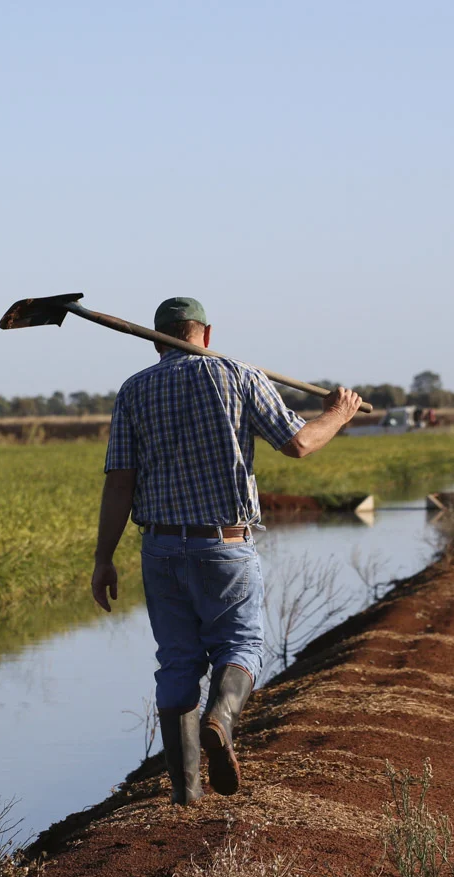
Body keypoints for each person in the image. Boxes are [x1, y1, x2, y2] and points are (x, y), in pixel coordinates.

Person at [91, 297, 364, 804]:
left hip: (162, 548)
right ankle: (220, 718)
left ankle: (186, 794)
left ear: (158, 339)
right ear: (207, 334)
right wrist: (339, 413)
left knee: (176, 663)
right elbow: (300, 444)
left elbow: (119, 483)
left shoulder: (134, 391)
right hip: (226, 544)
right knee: (241, 647)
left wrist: (102, 558)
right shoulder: (239, 375)